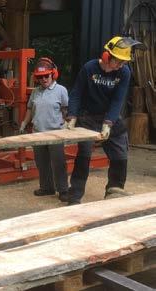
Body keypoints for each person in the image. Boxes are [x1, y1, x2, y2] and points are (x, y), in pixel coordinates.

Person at [65, 36, 144, 205]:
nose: (121, 65)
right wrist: (72, 116)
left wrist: (108, 123)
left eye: (124, 62)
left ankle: (113, 191)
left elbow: (118, 100)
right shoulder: (89, 68)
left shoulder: (124, 72)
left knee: (120, 154)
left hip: (109, 115)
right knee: (84, 155)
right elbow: (76, 93)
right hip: (88, 117)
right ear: (107, 56)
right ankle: (74, 195)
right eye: (119, 61)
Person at [19, 58, 69, 201]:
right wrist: (24, 123)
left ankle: (63, 190)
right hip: (38, 133)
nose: (43, 79)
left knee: (59, 162)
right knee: (42, 162)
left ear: (53, 74)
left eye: (46, 76)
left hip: (55, 133)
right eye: (40, 77)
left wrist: (68, 124)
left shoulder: (61, 90)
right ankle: (47, 188)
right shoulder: (35, 92)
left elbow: (65, 110)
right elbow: (30, 109)